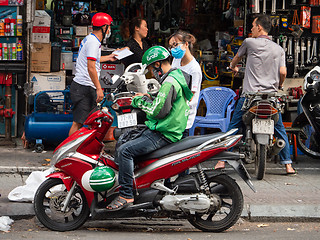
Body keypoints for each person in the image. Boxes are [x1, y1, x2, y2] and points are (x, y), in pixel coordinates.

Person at [106, 46, 193, 211]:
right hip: (166, 129)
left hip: (164, 133)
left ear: (159, 64)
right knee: (127, 139)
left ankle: (126, 194)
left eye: (152, 68)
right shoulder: (175, 76)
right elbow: (165, 101)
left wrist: (138, 102)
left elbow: (158, 111)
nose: (152, 72)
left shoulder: (169, 83)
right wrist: (149, 97)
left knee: (125, 150)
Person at [214, 14, 296, 175]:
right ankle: (288, 165)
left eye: (252, 26)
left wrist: (232, 66)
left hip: (250, 96)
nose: (251, 29)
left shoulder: (249, 42)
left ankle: (222, 160)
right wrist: (279, 84)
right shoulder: (279, 49)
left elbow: (236, 59)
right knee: (279, 128)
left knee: (234, 126)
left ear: (259, 27)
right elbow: (283, 71)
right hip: (270, 97)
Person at [69, 12, 117, 136]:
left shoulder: (91, 39)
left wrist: (109, 57)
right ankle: (69, 150)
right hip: (83, 87)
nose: (110, 30)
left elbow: (92, 59)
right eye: (109, 27)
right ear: (104, 27)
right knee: (78, 123)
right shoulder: (93, 43)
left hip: (83, 86)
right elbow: (91, 68)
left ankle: (90, 149)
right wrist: (99, 89)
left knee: (94, 121)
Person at [168, 30, 202, 137]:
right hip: (173, 114)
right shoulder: (176, 60)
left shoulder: (194, 69)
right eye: (171, 47)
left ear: (186, 44)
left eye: (175, 45)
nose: (173, 49)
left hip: (185, 117)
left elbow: (191, 96)